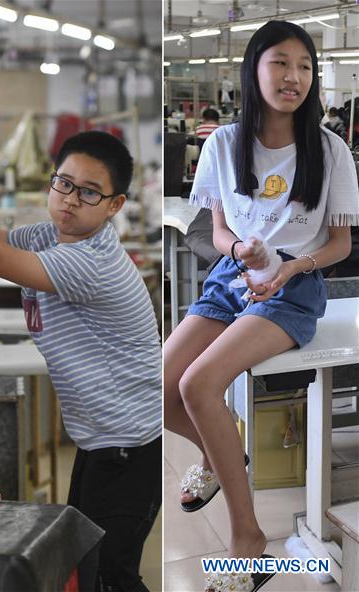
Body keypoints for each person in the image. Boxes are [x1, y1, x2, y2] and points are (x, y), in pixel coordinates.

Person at [165, 21, 358, 592]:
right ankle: (221, 455)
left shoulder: (330, 150)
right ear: (253, 69)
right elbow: (219, 230)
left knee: (198, 385)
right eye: (280, 62)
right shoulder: (223, 144)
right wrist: (239, 251)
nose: (293, 76)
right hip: (233, 276)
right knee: (159, 385)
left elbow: (340, 245)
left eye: (304, 66)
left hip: (295, 285)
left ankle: (248, 539)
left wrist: (290, 267)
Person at [0, 131, 162, 592]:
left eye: (89, 192)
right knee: (85, 569)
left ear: (115, 205)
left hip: (130, 446)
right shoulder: (50, 234)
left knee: (110, 578)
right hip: (99, 438)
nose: (70, 199)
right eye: (64, 183)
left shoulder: (92, 261)